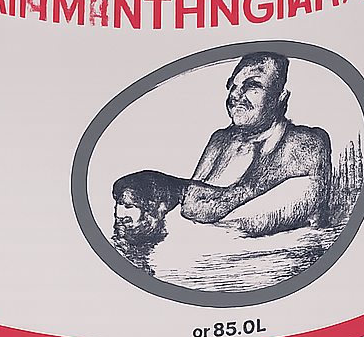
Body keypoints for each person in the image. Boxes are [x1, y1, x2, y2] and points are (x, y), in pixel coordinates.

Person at [112, 54, 331, 263]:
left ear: (281, 97)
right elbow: (191, 205)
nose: (235, 95)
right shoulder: (220, 140)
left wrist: (176, 192)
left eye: (252, 86)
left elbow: (227, 216)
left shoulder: (306, 143)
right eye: (232, 86)